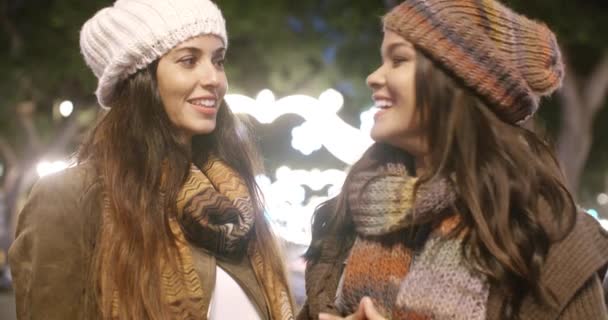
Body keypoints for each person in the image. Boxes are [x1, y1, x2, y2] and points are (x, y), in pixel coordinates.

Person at [298, 0, 608, 319]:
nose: (374, 77)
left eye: (399, 59)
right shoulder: (350, 211)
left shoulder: (544, 236)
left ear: (458, 82)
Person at [9, 0, 295, 319]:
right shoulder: (71, 197)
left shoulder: (231, 204)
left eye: (218, 60)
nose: (214, 78)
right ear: (140, 80)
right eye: (189, 60)